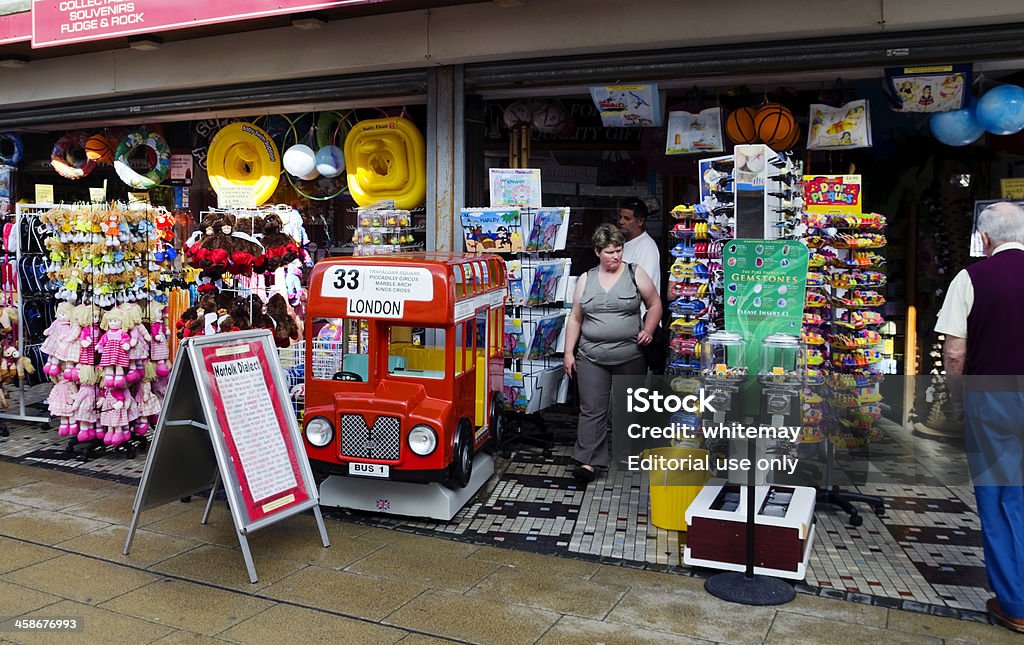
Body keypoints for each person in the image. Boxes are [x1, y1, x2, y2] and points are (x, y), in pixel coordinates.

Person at [935, 201, 1024, 634]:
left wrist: (955, 401)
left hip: (993, 399)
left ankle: (1014, 602)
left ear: (985, 239)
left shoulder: (971, 277)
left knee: (998, 496)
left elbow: (954, 351)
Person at [563, 223, 662, 482]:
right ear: (597, 252)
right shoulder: (586, 279)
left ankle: (628, 452)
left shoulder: (634, 273)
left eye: (618, 250)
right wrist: (568, 353)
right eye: (609, 252)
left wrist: (649, 330)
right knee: (592, 408)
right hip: (591, 355)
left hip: (630, 354)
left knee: (628, 408)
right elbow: (575, 318)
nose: (615, 256)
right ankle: (588, 462)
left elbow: (655, 304)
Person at [618, 197, 661, 295]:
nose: (621, 222)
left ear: (640, 221)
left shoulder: (647, 247)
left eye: (627, 219)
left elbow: (644, 286)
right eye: (620, 217)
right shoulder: (622, 242)